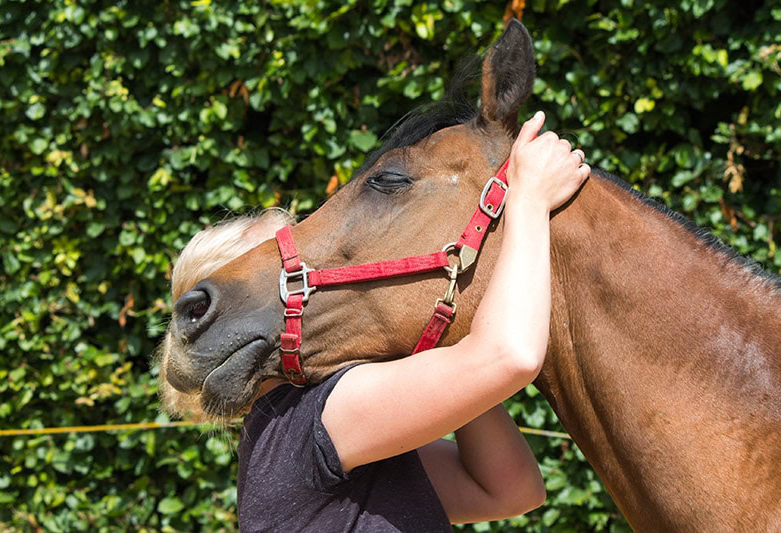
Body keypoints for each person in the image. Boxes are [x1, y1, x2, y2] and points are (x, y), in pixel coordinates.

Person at [163, 111, 590, 530]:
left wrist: (429, 323)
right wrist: (529, 200)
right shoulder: (316, 420)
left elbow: (510, 489)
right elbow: (509, 356)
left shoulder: (287, 444)